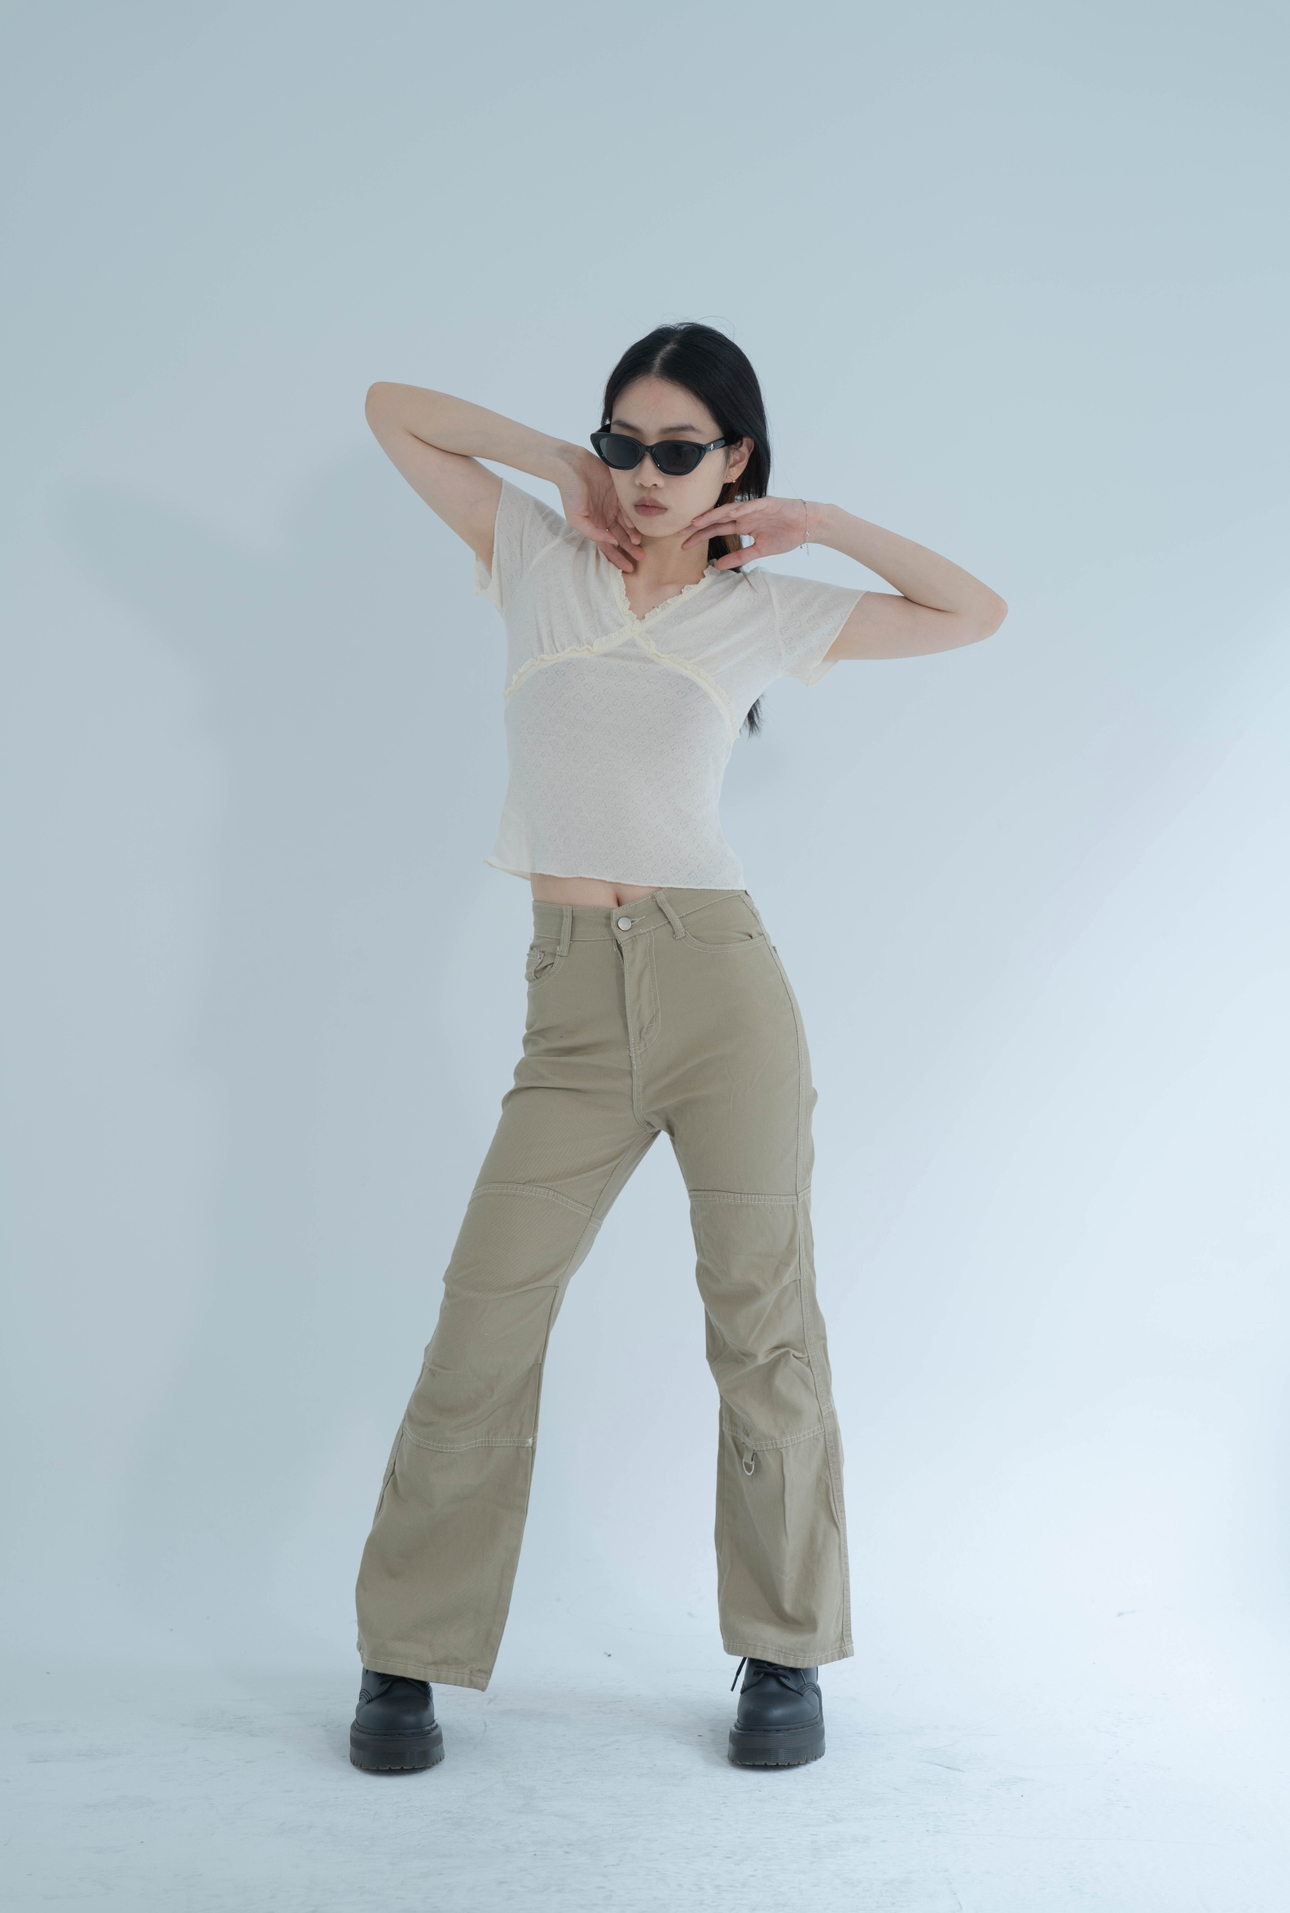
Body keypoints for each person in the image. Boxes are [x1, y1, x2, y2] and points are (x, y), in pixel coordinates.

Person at [347, 323, 1007, 1774]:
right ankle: (406, 1656)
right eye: (625, 442)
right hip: (570, 1014)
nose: (646, 474)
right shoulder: (537, 555)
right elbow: (393, 406)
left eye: (678, 450)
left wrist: (818, 524)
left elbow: (973, 611)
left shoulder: (765, 613)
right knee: (480, 1326)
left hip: (724, 998)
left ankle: (784, 1652)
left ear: (733, 461)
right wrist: (557, 465)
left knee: (763, 1326)